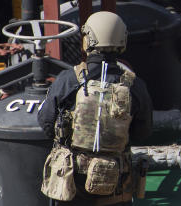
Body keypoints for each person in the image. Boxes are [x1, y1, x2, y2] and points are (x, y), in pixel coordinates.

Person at [39, 11, 152, 204]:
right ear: (122, 41)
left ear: (87, 40)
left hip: (72, 183)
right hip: (116, 181)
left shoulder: (68, 80)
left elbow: (46, 123)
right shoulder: (135, 86)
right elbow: (143, 132)